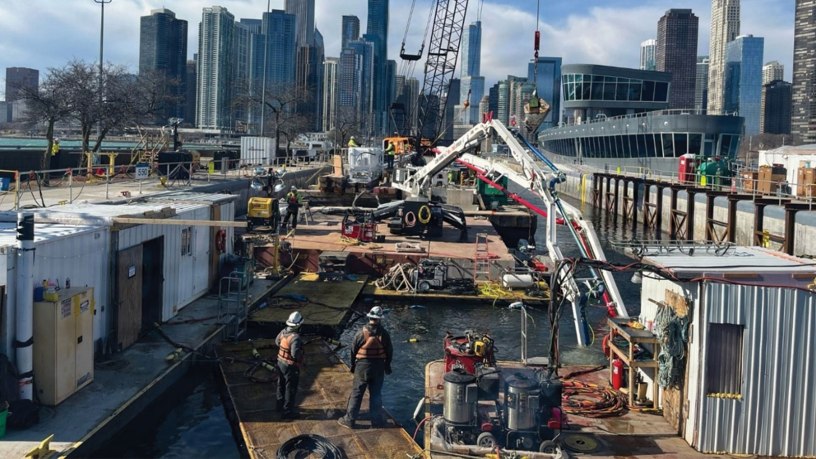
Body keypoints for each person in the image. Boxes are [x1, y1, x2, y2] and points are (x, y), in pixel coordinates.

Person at [338, 306, 393, 429]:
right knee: (376, 394)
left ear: (370, 317)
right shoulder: (384, 334)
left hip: (362, 367)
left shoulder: (360, 333)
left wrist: (353, 366)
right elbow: (389, 352)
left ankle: (350, 420)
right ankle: (377, 421)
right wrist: (387, 366)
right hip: (378, 367)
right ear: (379, 319)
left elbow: (353, 350)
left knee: (357, 394)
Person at [275, 311, 304, 419]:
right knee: (290, 389)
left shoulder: (283, 332)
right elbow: (295, 354)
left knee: (280, 384)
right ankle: (288, 412)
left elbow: (277, 342)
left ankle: (279, 405)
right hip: (290, 366)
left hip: (280, 362)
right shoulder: (295, 338)